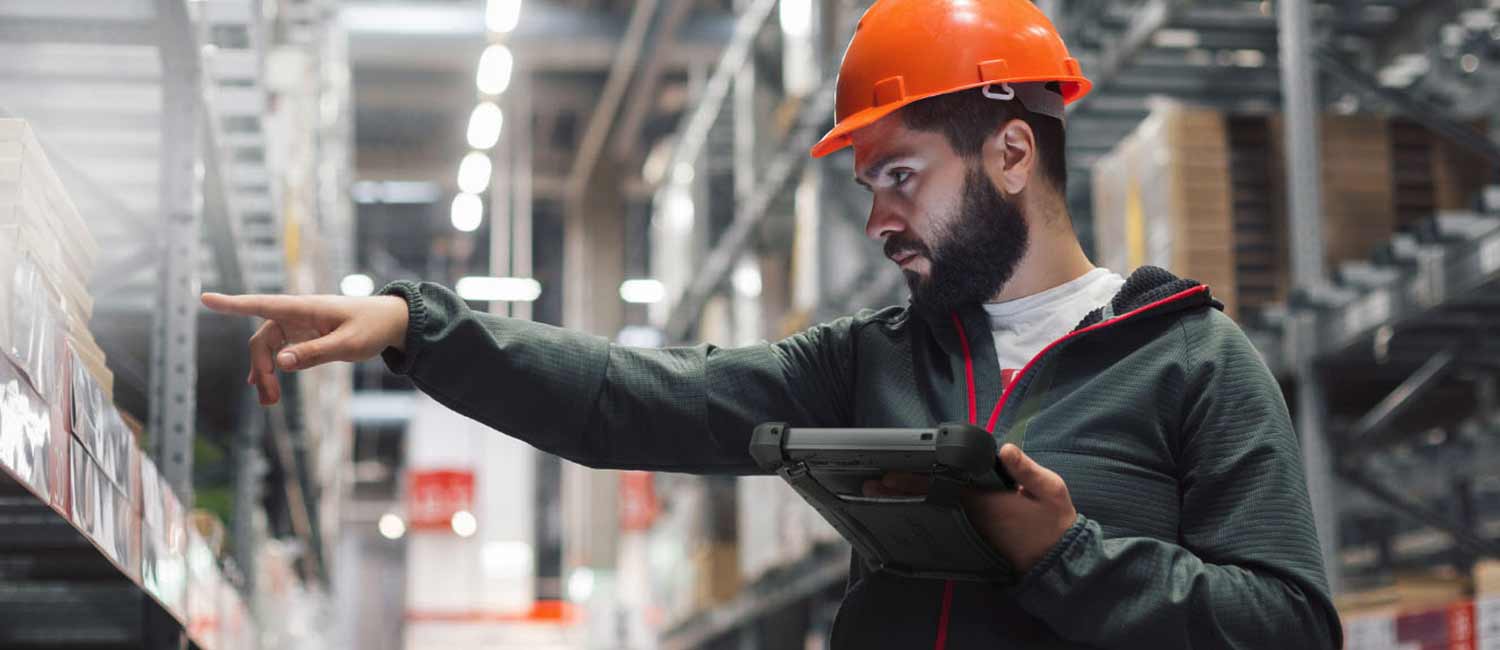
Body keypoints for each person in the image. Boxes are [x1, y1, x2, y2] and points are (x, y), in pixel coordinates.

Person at [203, 0, 1342, 647]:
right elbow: (630, 398)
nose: (879, 218)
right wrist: (415, 322)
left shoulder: (1192, 359)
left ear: (1011, 150)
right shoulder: (868, 362)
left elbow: (1292, 626)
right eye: (867, 188)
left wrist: (1066, 556)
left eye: (900, 175)